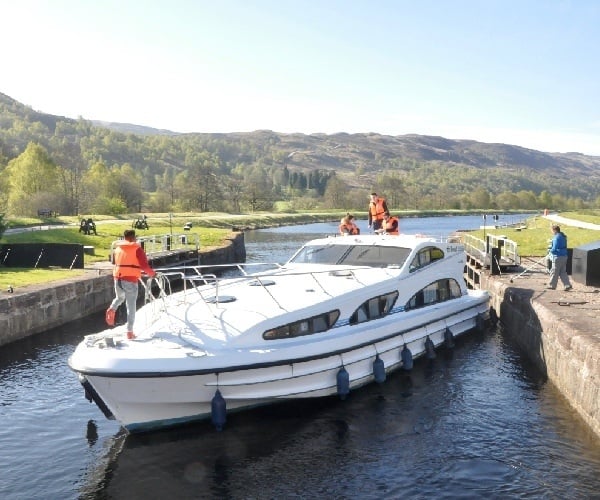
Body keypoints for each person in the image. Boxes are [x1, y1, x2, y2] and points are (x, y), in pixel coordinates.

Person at [105, 229, 156, 338]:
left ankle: (112, 308)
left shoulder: (118, 248)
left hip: (117, 278)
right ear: (133, 237)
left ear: (124, 237)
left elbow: (115, 262)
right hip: (130, 280)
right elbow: (144, 266)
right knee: (131, 306)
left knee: (119, 297)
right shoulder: (137, 249)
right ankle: (130, 332)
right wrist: (152, 274)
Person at [546, 224, 572, 291]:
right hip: (564, 256)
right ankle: (567, 285)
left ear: (554, 230)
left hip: (558, 257)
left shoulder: (556, 237)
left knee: (554, 271)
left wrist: (549, 251)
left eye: (552, 230)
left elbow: (554, 249)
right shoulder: (563, 236)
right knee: (563, 272)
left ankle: (552, 285)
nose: (551, 232)